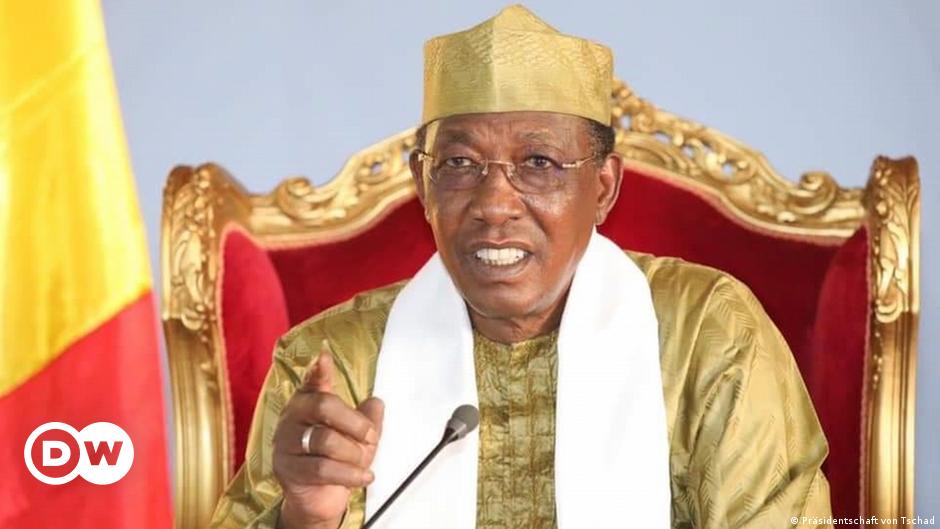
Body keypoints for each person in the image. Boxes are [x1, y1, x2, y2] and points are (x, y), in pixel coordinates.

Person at [209, 5, 833, 529]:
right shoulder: (333, 363)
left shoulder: (707, 334)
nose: (494, 204)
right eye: (459, 164)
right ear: (422, 185)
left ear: (604, 188)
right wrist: (304, 519)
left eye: (539, 163)